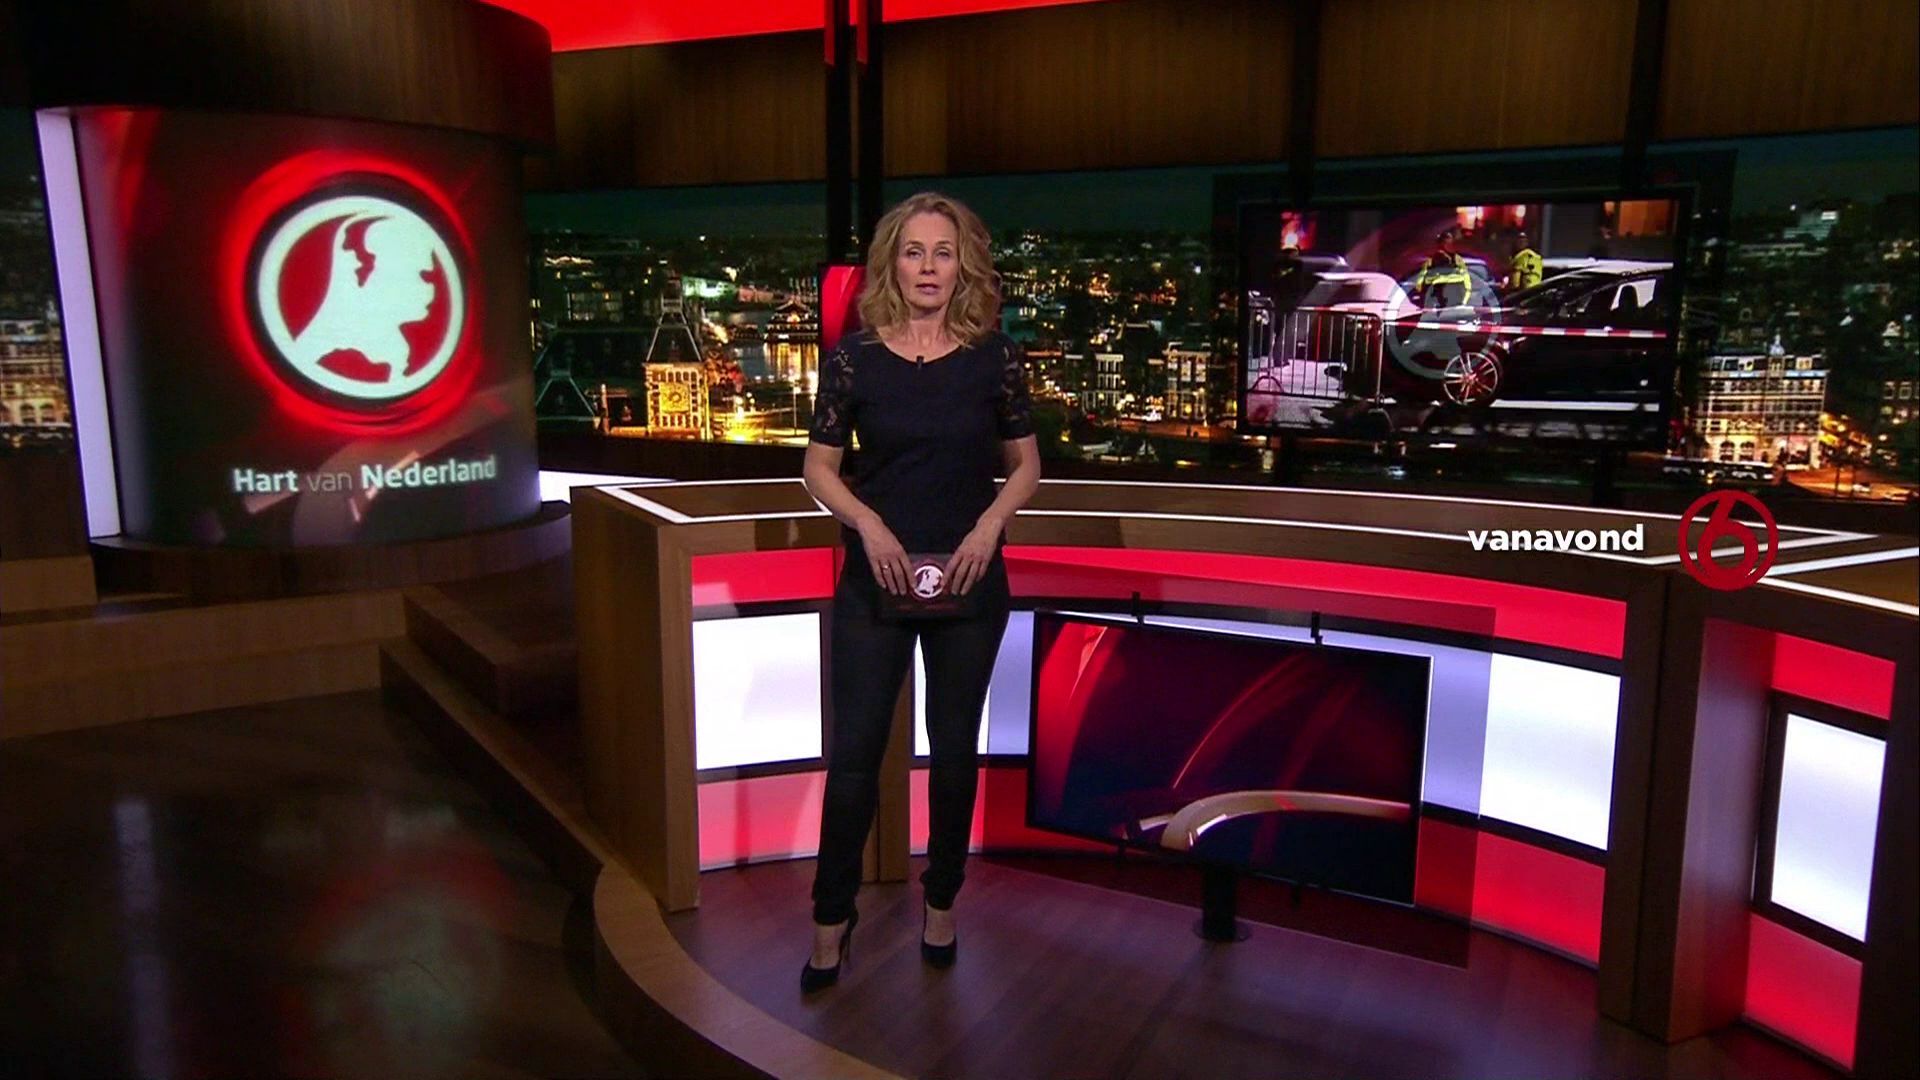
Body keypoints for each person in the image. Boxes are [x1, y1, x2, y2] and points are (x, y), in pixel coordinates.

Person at [798, 192, 1042, 991]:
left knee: (954, 750)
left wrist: (989, 527)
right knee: (855, 757)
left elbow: (1027, 464)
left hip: (969, 576)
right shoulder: (854, 359)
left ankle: (942, 900)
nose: (929, 267)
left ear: (962, 265)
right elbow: (819, 468)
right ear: (891, 265)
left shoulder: (995, 357)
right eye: (914, 252)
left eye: (943, 252)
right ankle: (830, 918)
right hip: (877, 578)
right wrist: (868, 525)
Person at [1409, 227, 1472, 309]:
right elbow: (1466, 276)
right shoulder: (1457, 259)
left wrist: (1419, 289)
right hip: (1453, 290)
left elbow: (1421, 277)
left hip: (1441, 291)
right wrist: (1467, 295)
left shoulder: (1433, 260)